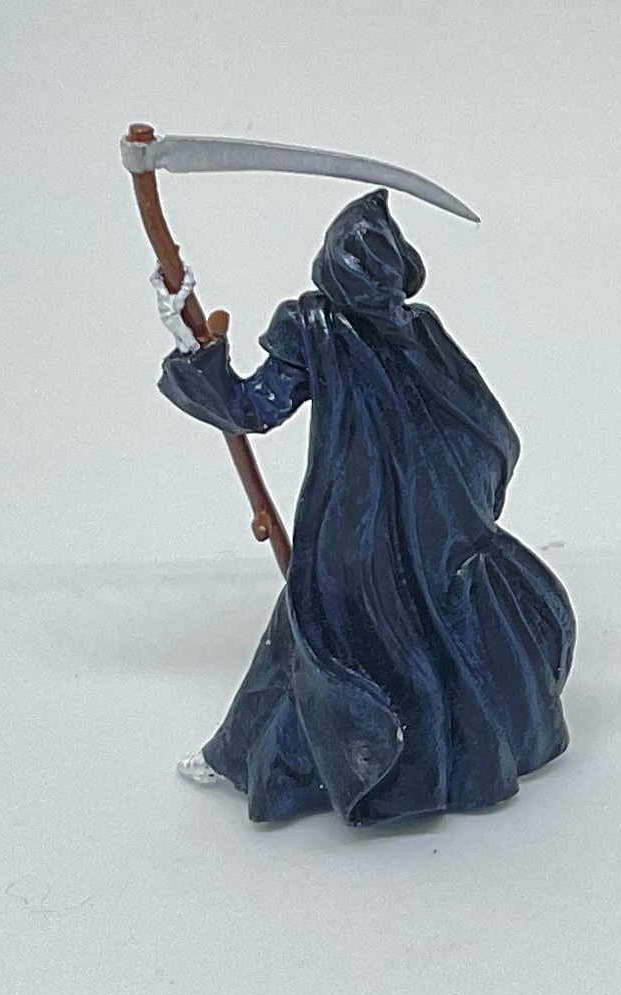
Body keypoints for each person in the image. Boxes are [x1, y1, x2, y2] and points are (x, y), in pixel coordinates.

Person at [153, 189, 575, 827]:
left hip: (416, 522)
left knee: (332, 629)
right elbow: (253, 407)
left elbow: (476, 421)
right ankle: (260, 757)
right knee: (326, 630)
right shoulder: (316, 330)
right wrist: (198, 355)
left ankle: (289, 761)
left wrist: (202, 364)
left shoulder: (413, 330)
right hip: (367, 518)